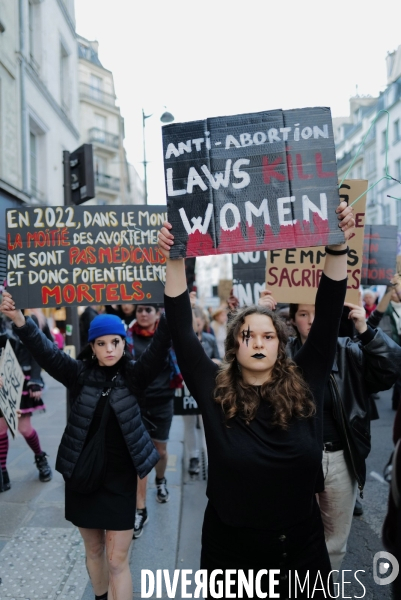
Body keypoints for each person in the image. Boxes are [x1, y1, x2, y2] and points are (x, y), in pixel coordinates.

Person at [158, 201, 354, 598]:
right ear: (234, 345)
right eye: (248, 336)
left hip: (299, 550)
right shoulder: (214, 387)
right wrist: (176, 257)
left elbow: (330, 308)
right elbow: (181, 330)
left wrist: (336, 247)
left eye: (269, 336)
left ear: (282, 346)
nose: (259, 342)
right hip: (230, 553)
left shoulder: (305, 378)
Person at [0, 295, 171, 600]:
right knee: (93, 549)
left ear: (124, 342)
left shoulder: (136, 374)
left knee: (117, 558)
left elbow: (161, 344)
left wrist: (175, 303)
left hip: (120, 481)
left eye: (115, 342)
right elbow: (46, 352)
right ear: (92, 347)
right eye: (101, 343)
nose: (109, 349)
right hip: (83, 477)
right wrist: (19, 320)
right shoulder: (78, 373)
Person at [279, 293, 401, 574]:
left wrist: (365, 330)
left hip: (337, 459)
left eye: (318, 313)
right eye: (303, 314)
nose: (311, 321)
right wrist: (260, 313)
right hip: (293, 460)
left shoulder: (349, 351)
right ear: (292, 320)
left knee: (333, 541)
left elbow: (392, 368)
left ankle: (322, 588)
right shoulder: (281, 356)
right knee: (292, 535)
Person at [126, 303, 182, 539]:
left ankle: (160, 479)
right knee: (140, 454)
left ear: (158, 313)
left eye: (149, 309)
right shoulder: (126, 337)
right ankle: (140, 509)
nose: (144, 313)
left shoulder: (167, 334)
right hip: (136, 401)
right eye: (140, 310)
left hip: (162, 400)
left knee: (159, 451)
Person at [0, 310, 53, 491]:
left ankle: (40, 458)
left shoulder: (28, 318)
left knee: (24, 428)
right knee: (0, 429)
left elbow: (37, 350)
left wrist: (35, 381)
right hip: (1, 379)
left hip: (23, 378)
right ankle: (2, 471)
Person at [368, 275, 401, 410]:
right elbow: (376, 317)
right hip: (393, 342)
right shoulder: (386, 308)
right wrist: (390, 289)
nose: (394, 293)